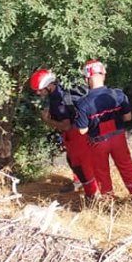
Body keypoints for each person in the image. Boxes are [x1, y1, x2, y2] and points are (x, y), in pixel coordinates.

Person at [74, 60, 132, 203]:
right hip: (118, 137)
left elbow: (82, 130)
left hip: (98, 141)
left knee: (101, 171)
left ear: (86, 79)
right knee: (126, 165)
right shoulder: (118, 94)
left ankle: (109, 201)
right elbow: (128, 117)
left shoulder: (83, 103)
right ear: (104, 75)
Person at [29, 69, 98, 198]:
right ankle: (81, 184)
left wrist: (47, 120)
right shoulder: (61, 89)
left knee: (80, 164)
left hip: (75, 133)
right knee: (74, 161)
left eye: (40, 89)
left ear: (49, 86)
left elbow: (65, 125)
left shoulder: (58, 100)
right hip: (79, 131)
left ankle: (92, 193)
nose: (38, 93)